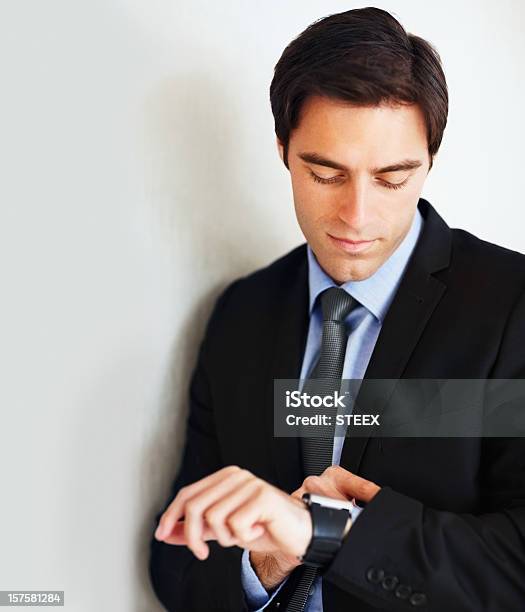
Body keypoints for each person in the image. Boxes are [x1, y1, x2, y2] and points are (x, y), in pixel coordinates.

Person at [148, 7, 525, 611]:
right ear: (282, 151)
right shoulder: (240, 315)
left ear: (431, 159)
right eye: (325, 174)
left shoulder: (512, 306)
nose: (357, 217)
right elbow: (177, 560)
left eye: (393, 179)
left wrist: (330, 536)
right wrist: (264, 563)